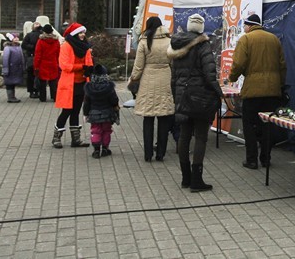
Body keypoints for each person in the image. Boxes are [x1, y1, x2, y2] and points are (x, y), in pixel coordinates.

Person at [167, 13, 222, 192]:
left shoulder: (176, 44)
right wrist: (217, 91)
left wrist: (176, 96)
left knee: (184, 136)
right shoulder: (203, 45)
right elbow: (210, 74)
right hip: (200, 97)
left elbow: (174, 77)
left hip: (182, 96)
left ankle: (185, 178)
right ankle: (197, 180)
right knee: (200, 137)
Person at [229, 14, 287, 170]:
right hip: (272, 91)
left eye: (244, 26)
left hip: (253, 91)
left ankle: (252, 159)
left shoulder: (245, 39)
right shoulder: (274, 39)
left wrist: (232, 78)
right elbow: (282, 65)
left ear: (248, 26)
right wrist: (279, 84)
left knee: (249, 124)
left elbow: (238, 63)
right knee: (267, 125)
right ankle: (266, 159)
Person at [130, 16, 175, 162]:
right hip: (165, 78)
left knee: (148, 118)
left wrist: (133, 79)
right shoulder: (169, 41)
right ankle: (160, 153)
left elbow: (138, 66)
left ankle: (148, 154)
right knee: (164, 117)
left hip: (148, 79)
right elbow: (173, 62)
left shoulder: (144, 41)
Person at [52, 22, 93, 149]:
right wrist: (82, 67)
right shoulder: (66, 46)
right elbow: (64, 66)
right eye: (80, 33)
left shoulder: (85, 47)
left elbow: (89, 62)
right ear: (75, 34)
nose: (83, 35)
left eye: (83, 33)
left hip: (81, 83)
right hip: (69, 84)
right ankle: (56, 138)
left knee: (76, 111)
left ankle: (76, 139)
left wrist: (90, 69)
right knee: (66, 111)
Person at [83, 64, 119, 158]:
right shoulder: (109, 87)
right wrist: (115, 108)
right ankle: (105, 148)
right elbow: (114, 100)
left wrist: (86, 114)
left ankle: (96, 149)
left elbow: (86, 103)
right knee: (106, 131)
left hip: (94, 114)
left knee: (95, 131)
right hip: (107, 114)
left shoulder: (89, 87)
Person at [34, 24, 60, 102]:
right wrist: (58, 63)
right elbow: (58, 53)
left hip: (43, 64)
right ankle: (54, 97)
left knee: (42, 82)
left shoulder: (41, 41)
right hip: (53, 63)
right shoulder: (56, 41)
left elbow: (38, 54)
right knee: (53, 81)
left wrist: (36, 66)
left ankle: (43, 97)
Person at [2, 33, 24, 103]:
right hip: (10, 69)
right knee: (9, 83)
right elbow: (5, 59)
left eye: (17, 37)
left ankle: (13, 96)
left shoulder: (18, 47)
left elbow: (22, 57)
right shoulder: (7, 48)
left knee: (13, 83)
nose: (17, 39)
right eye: (15, 38)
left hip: (16, 69)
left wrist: (23, 66)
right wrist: (5, 70)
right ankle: (10, 97)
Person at [22, 22, 42, 98]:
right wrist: (33, 47)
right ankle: (32, 91)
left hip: (39, 57)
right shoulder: (29, 35)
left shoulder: (42, 35)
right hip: (32, 57)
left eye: (38, 24)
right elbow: (24, 45)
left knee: (39, 76)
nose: (37, 25)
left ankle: (38, 91)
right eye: (35, 24)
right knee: (31, 75)